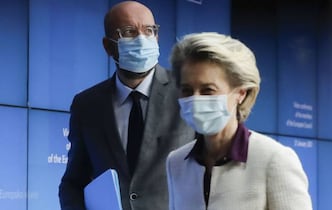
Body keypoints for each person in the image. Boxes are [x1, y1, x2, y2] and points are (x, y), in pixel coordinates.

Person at [58, 1, 194, 210]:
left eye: (149, 30)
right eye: (129, 32)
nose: (142, 39)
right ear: (108, 46)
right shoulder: (87, 105)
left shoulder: (188, 92)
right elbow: (73, 183)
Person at [166, 32, 313, 210]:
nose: (195, 99)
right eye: (187, 90)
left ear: (240, 94)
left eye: (208, 90)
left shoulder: (273, 159)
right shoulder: (176, 162)